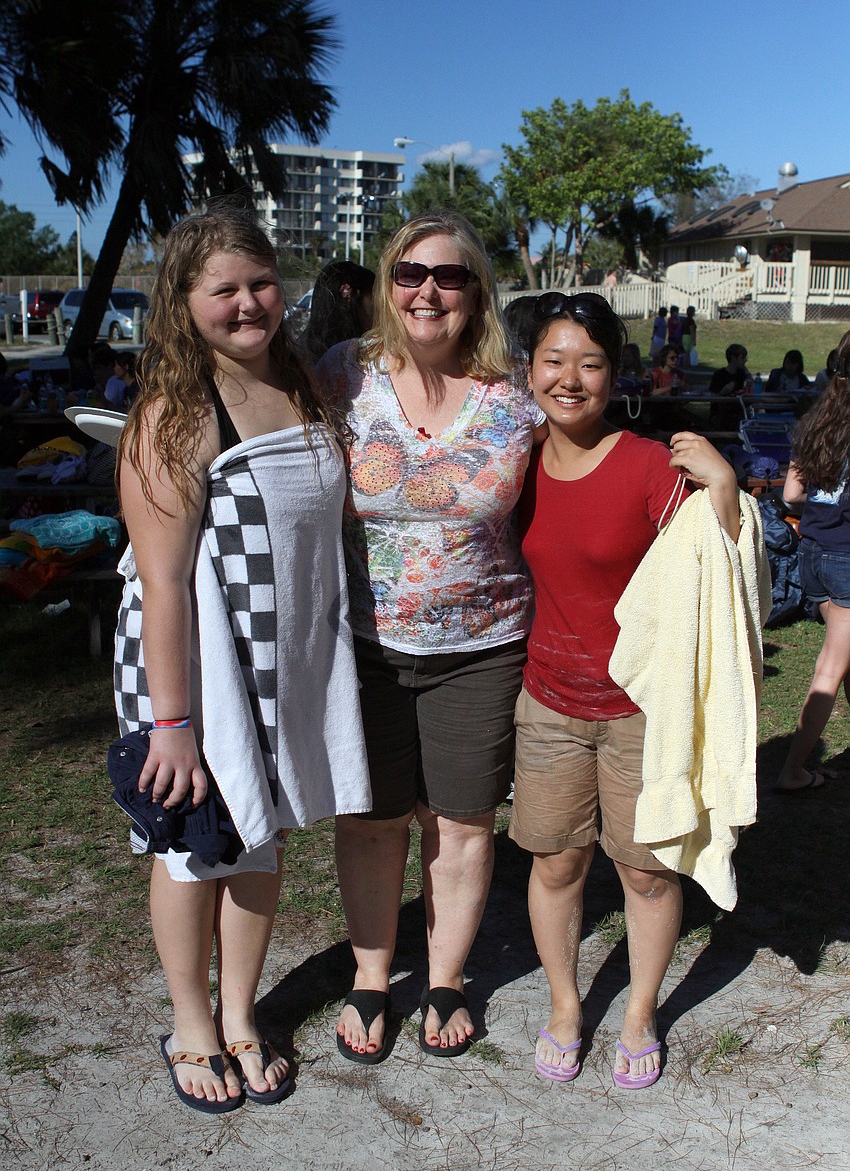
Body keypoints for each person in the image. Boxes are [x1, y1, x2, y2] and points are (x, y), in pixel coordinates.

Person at [113, 205, 371, 1113]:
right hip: (197, 675)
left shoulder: (300, 383)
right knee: (191, 849)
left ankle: (239, 1018)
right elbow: (167, 586)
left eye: (260, 283)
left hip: (283, 667)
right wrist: (174, 727)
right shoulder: (174, 416)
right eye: (222, 289)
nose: (247, 303)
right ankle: (189, 1023)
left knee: (259, 841)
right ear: (184, 303)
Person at [316, 212, 543, 1062]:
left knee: (462, 821)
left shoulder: (516, 389)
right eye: (411, 273)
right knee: (373, 820)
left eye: (449, 277)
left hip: (482, 645)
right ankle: (372, 975)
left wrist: (696, 474)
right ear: (388, 283)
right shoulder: (342, 375)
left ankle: (445, 975)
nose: (428, 291)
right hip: (365, 645)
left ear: (476, 292)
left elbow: (586, 447)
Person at [509, 291, 740, 1089]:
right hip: (547, 703)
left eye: (591, 362)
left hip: (642, 708)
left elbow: (724, 568)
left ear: (616, 375)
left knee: (646, 870)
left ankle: (639, 1012)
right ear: (529, 370)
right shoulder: (513, 458)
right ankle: (567, 1004)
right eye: (554, 359)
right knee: (556, 863)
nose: (570, 378)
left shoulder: (648, 464)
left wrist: (724, 487)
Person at [775, 331, 850, 793]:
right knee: (830, 667)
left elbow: (790, 494)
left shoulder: (818, 420)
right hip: (844, 558)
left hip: (813, 554)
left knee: (843, 658)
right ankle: (792, 771)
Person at [299, 260, 375, 362]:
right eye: (374, 298)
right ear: (349, 294)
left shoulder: (298, 352)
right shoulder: (361, 361)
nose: (379, 309)